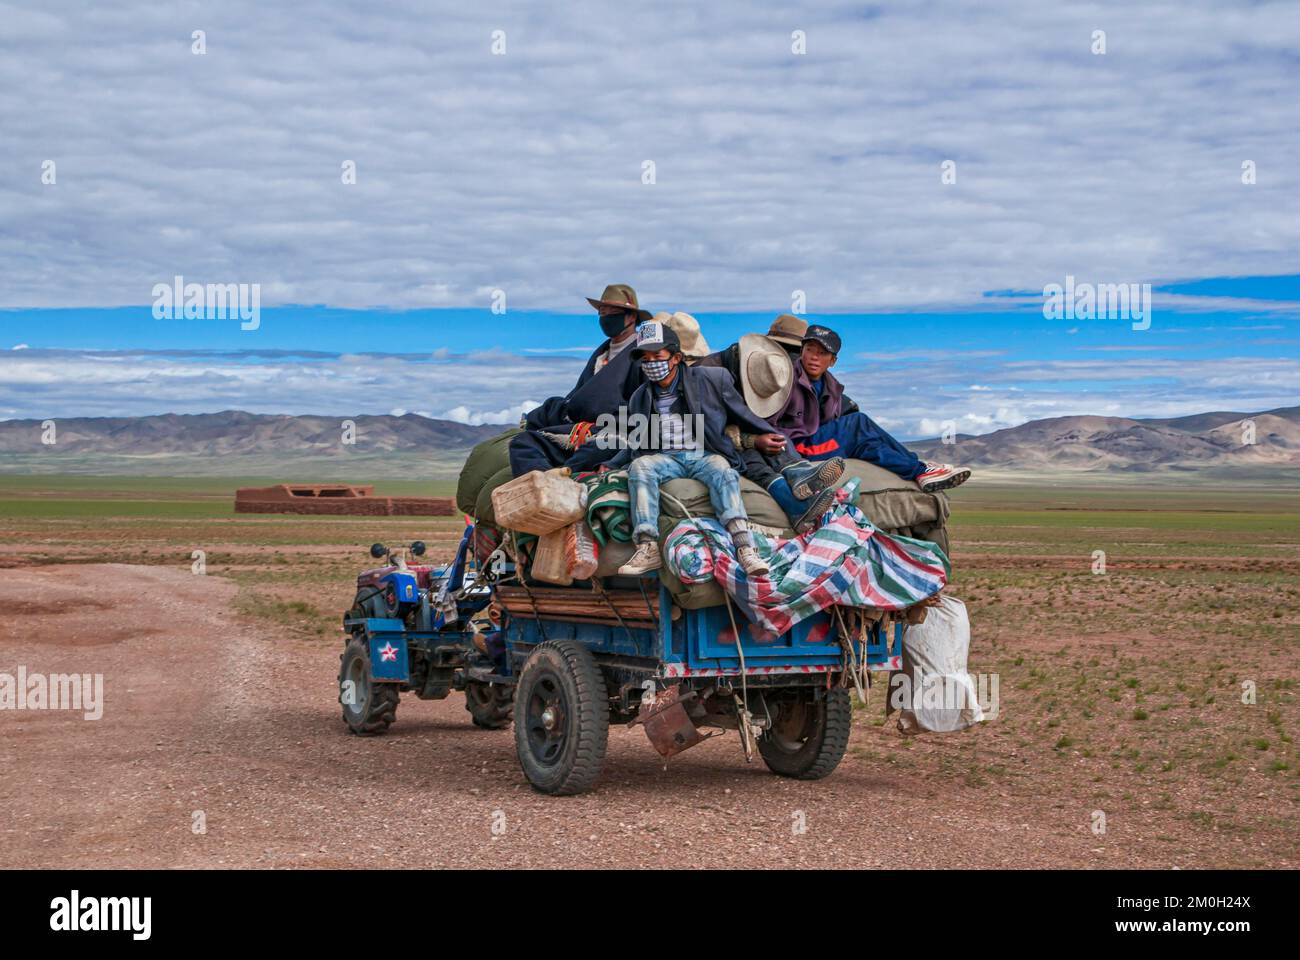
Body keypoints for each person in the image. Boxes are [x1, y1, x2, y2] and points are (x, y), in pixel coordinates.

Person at [607, 320, 778, 578]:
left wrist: (763, 436)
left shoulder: (710, 380)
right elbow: (638, 439)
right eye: (645, 358)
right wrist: (610, 465)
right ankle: (647, 546)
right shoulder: (640, 397)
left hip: (704, 454)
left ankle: (745, 547)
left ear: (676, 358)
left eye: (658, 356)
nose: (651, 363)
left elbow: (743, 414)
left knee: (722, 470)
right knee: (640, 467)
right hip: (667, 458)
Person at [770, 324, 972, 493]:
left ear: (832, 361)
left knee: (869, 447)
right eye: (809, 350)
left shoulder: (832, 389)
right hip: (797, 447)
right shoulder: (786, 380)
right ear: (801, 351)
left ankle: (919, 472)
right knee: (859, 422)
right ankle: (920, 467)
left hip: (821, 442)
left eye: (822, 353)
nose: (814, 357)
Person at [698, 315, 846, 531]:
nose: (789, 358)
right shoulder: (713, 376)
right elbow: (710, 432)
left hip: (733, 435)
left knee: (772, 439)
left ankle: (797, 477)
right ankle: (795, 498)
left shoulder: (768, 372)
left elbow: (752, 421)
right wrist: (752, 441)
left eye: (793, 351)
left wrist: (760, 438)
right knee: (751, 458)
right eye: (786, 349)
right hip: (703, 440)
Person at [508, 284, 650, 476]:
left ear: (631, 316)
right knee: (522, 444)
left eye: (613, 313)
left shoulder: (642, 355)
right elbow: (578, 397)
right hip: (578, 430)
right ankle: (542, 483)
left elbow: (643, 406)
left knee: (598, 449)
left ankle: (561, 477)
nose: (606, 317)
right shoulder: (600, 354)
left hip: (616, 433)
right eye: (602, 313)